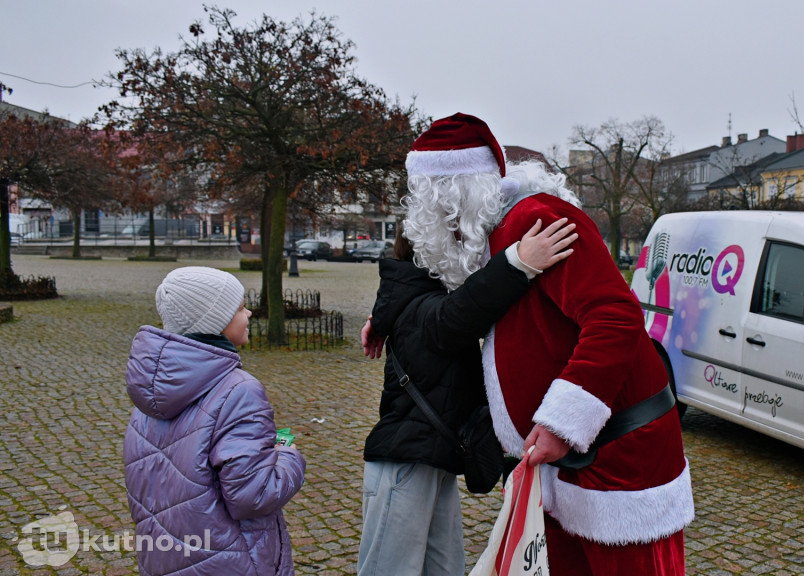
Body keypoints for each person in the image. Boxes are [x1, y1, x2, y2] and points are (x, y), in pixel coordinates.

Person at [400, 113, 694, 575]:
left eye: (438, 210)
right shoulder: (495, 239)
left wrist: (560, 424)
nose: (439, 225)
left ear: (456, 197)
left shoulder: (536, 218)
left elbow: (615, 317)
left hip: (618, 462)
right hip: (570, 467)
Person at [357, 217, 577, 576]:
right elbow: (459, 314)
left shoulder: (411, 298)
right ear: (430, 249)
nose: (466, 247)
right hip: (404, 465)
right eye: (456, 240)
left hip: (431, 462)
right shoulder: (418, 308)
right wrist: (519, 262)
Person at [123, 266, 305, 576]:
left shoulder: (146, 399)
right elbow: (254, 495)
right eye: (238, 308)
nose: (248, 313)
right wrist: (288, 454)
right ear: (213, 320)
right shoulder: (239, 390)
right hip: (233, 561)